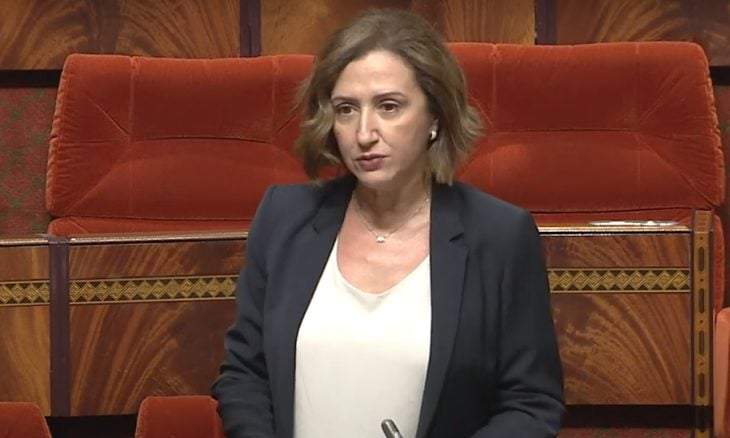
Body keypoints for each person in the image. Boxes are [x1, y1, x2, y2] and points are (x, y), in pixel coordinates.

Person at [212, 9, 564, 438]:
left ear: (435, 116)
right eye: (346, 109)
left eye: (389, 106)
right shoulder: (284, 218)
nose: (364, 133)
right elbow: (244, 375)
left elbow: (532, 404)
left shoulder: (499, 235)